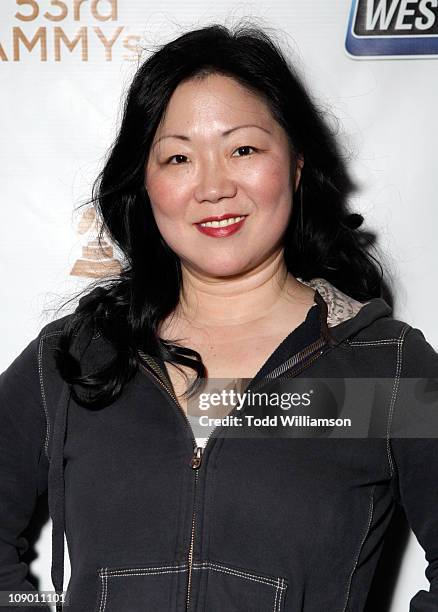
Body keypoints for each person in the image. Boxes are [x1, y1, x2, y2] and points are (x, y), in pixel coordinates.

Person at [1, 22, 437, 612]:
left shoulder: (385, 370)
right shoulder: (77, 359)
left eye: (244, 149)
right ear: (145, 182)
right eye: (179, 157)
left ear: (297, 163)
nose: (212, 187)